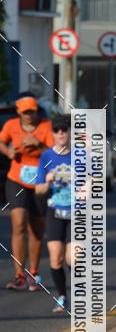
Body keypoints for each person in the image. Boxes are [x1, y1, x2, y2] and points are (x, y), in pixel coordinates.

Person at [0, 95, 53, 290]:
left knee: (36, 230)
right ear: (18, 112)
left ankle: (34, 272)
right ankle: (19, 274)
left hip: (40, 182)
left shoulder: (47, 126)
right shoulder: (11, 125)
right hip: (17, 179)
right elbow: (1, 142)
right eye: (26, 112)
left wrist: (38, 145)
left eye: (32, 111)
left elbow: (55, 152)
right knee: (19, 223)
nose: (30, 115)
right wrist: (8, 152)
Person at [35, 115, 72, 313]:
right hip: (55, 211)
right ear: (52, 133)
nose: (60, 133)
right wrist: (48, 181)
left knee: (72, 258)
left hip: (77, 213)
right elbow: (38, 190)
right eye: (56, 130)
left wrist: (87, 184)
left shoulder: (81, 155)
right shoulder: (47, 157)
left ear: (70, 132)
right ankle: (63, 297)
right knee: (56, 258)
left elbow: (97, 181)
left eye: (64, 129)